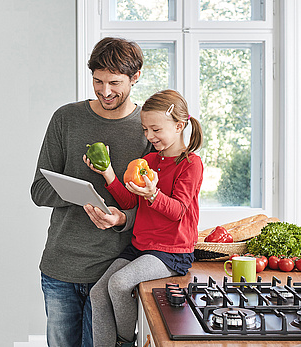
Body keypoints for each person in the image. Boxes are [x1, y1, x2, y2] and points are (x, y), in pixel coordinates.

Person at [31, 37, 153, 347]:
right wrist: (83, 193)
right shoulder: (66, 118)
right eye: (98, 81)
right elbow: (39, 190)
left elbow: (157, 208)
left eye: (115, 82)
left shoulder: (148, 128)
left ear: (135, 77)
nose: (105, 90)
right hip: (61, 268)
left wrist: (121, 219)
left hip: (114, 272)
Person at [85, 89, 204, 347]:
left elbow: (178, 211)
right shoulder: (148, 160)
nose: (149, 136)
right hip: (141, 247)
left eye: (156, 130)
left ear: (179, 125)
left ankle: (125, 343)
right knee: (98, 293)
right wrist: (108, 174)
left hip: (171, 252)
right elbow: (129, 201)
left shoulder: (190, 164)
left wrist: (153, 194)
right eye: (145, 130)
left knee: (119, 283)